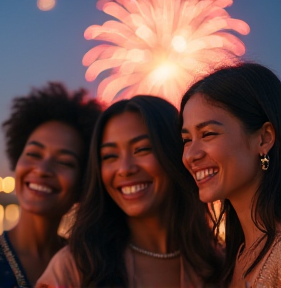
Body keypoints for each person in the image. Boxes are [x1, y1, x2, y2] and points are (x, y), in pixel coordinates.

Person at [36, 95, 222, 288]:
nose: (125, 168)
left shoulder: (220, 264)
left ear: (175, 152)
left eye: (141, 149)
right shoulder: (76, 268)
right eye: (110, 156)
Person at [180, 63, 281, 288]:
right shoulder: (237, 255)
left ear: (264, 138)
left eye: (208, 134)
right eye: (187, 140)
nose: (191, 155)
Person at [0, 82, 103, 288]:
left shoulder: (93, 268)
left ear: (84, 182)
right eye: (34, 154)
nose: (43, 169)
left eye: (64, 162)